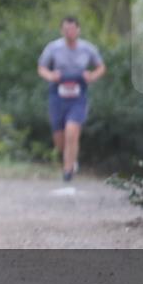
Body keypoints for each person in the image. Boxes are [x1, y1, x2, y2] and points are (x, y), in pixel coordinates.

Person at [37, 16, 106, 182]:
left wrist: (92, 76)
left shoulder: (88, 48)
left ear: (78, 30)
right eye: (66, 29)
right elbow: (41, 68)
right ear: (62, 31)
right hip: (57, 94)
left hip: (78, 95)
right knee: (60, 139)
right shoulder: (53, 48)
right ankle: (70, 159)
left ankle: (68, 171)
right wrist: (51, 76)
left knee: (72, 131)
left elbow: (101, 67)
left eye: (72, 29)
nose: (70, 32)